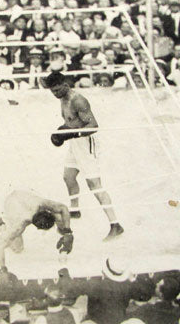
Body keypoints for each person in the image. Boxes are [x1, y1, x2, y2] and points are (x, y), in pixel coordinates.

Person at [44, 71, 124, 241]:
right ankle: (75, 209)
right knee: (68, 176)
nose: (56, 94)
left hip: (86, 142)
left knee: (95, 185)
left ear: (66, 84)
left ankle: (115, 224)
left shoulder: (78, 100)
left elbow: (94, 125)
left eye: (58, 90)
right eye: (53, 91)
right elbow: (72, 121)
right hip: (76, 143)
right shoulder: (62, 99)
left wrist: (71, 134)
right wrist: (62, 131)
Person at [0, 190, 73, 284]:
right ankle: (1, 221)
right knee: (18, 248)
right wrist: (2, 270)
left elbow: (63, 208)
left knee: (60, 217)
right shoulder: (20, 224)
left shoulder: (41, 204)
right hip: (12, 205)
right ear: (37, 228)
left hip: (22, 195)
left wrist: (68, 232)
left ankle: (63, 230)